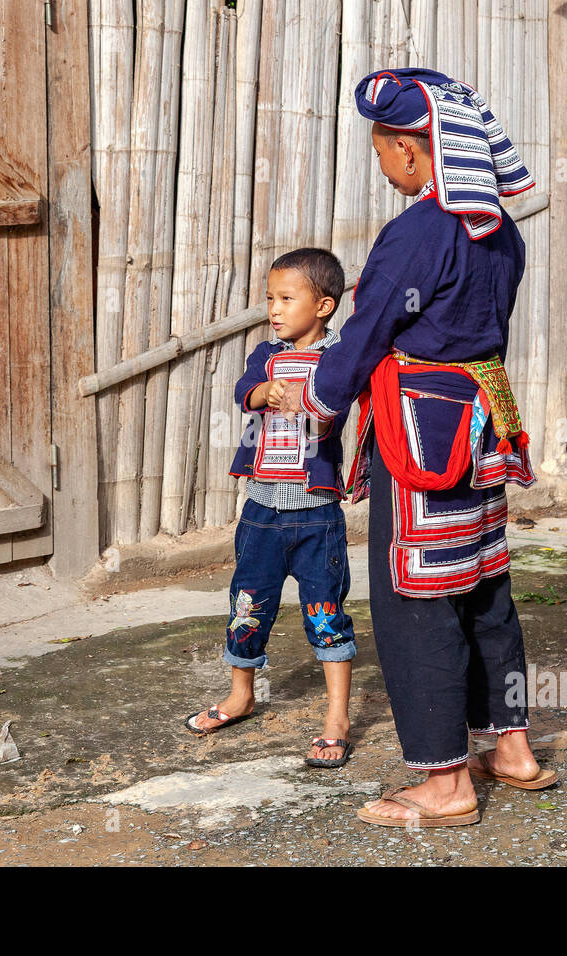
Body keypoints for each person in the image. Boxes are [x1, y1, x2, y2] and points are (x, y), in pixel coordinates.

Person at [280, 68, 557, 827]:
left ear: (410, 147)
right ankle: (512, 748)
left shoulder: (416, 233)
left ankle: (444, 783)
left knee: (418, 600)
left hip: (419, 438)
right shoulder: (500, 229)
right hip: (482, 427)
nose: (381, 164)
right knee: (485, 586)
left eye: (382, 148)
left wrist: (321, 401)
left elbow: (367, 334)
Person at [184, 248, 357, 769]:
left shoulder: (339, 358)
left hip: (316, 511)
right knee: (247, 602)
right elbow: (243, 390)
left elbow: (342, 402)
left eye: (287, 298)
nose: (274, 310)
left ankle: (337, 717)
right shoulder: (266, 354)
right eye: (269, 299)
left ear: (324, 305)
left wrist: (311, 401)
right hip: (260, 508)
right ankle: (241, 694)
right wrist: (263, 390)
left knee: (325, 611)